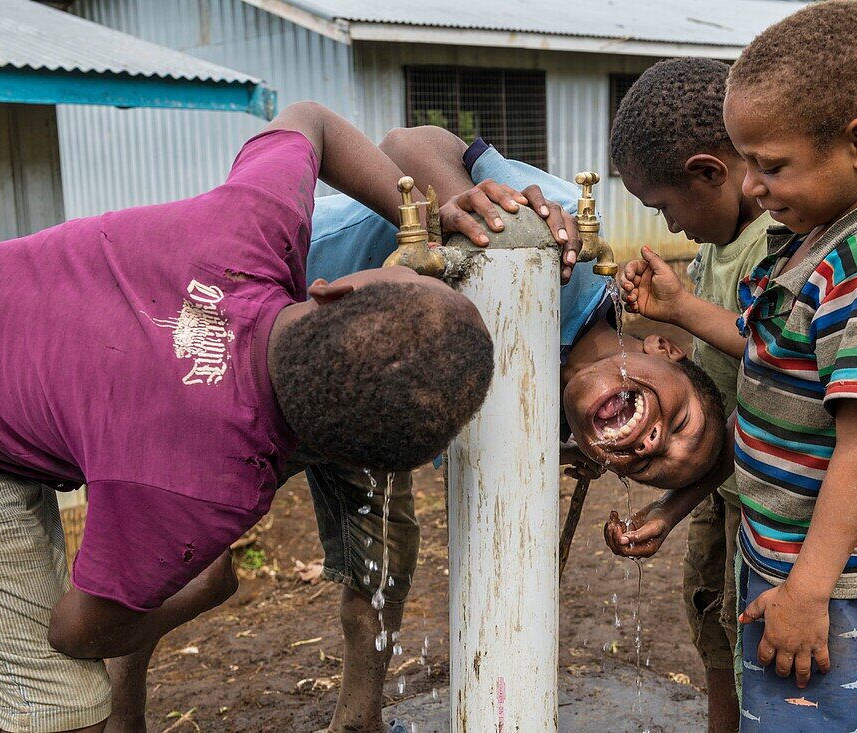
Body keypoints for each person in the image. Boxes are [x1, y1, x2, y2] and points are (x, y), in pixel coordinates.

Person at [0, 101, 502, 733]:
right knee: (65, 707)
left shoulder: (254, 227)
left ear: (331, 290)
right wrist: (189, 595)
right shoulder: (205, 487)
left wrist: (425, 223)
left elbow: (310, 122)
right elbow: (75, 633)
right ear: (369, 463)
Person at [276, 123, 727, 733]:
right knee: (184, 553)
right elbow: (409, 144)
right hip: (276, 303)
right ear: (667, 350)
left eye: (644, 464)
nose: (651, 441)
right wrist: (476, 209)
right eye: (679, 423)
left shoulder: (549, 405)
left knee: (383, 557)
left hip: (355, 396)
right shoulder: (560, 233)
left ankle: (357, 719)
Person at [608, 2, 857, 730]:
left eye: (769, 165)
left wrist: (808, 592)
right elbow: (771, 346)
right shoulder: (818, 239)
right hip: (785, 552)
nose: (752, 187)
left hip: (833, 583)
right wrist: (685, 309)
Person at [605, 57, 772, 733]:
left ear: (708, 172)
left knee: (760, 643)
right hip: (723, 485)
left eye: (665, 207)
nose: (670, 227)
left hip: (771, 502)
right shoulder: (714, 251)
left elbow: (776, 353)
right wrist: (679, 364)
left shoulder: (778, 246)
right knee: (715, 623)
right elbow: (719, 382)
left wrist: (680, 311)